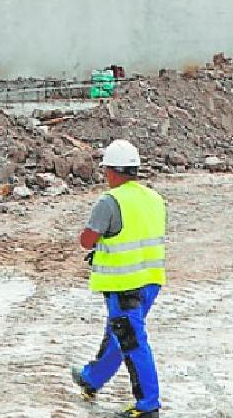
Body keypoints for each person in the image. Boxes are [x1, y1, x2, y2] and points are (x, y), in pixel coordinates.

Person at [69, 139, 166, 418]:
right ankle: (92, 378)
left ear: (111, 171)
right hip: (150, 279)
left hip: (124, 283)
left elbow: (87, 241)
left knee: (132, 340)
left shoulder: (110, 201)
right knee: (121, 332)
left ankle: (148, 405)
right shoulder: (154, 198)